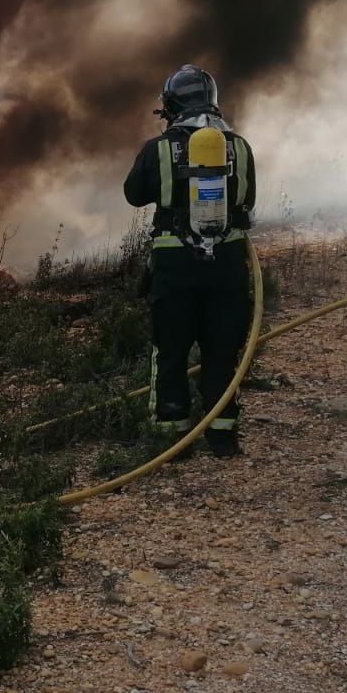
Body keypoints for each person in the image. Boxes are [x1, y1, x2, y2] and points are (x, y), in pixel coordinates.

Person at [123, 65, 256, 457]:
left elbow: (133, 194)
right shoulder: (241, 148)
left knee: (171, 349)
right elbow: (247, 201)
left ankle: (172, 438)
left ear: (171, 106)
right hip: (228, 265)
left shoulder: (158, 150)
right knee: (222, 350)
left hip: (175, 266)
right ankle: (223, 437)